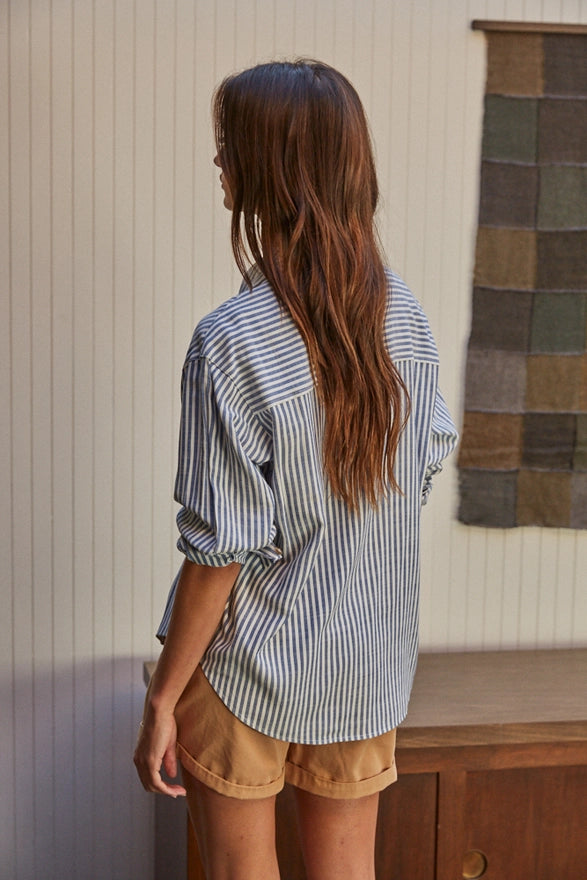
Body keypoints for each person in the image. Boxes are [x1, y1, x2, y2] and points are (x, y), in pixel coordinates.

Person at [134, 59, 458, 880]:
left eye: (226, 144)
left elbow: (218, 558)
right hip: (365, 665)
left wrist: (162, 698)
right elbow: (416, 477)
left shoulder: (230, 340)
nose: (217, 161)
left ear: (273, 168)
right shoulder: (407, 319)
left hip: (248, 670)